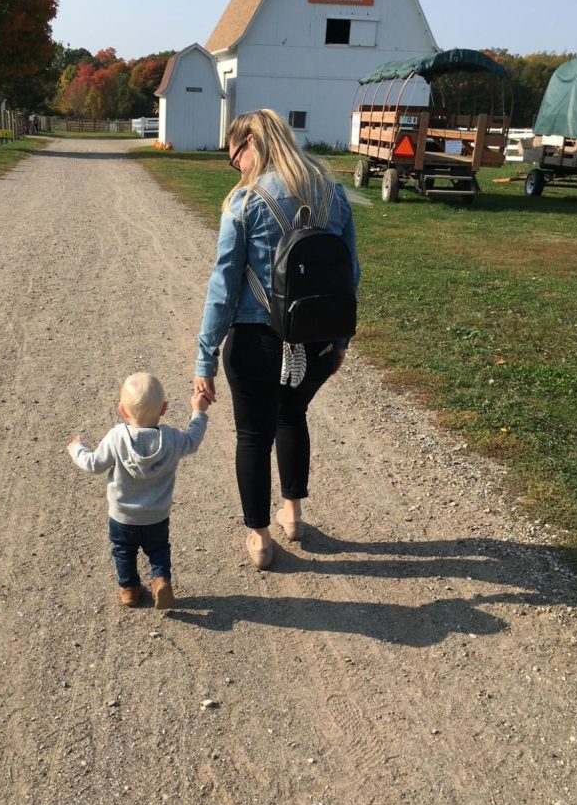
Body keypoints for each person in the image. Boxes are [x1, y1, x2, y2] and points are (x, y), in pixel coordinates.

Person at [193, 109, 360, 570]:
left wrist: (204, 359)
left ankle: (261, 539)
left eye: (235, 157)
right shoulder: (334, 194)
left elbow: (223, 287)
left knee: (252, 434)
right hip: (316, 341)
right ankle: (294, 515)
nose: (237, 167)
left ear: (250, 142)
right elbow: (350, 274)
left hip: (255, 341)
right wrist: (340, 340)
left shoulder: (244, 203)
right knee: (293, 416)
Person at [67, 372, 209, 609]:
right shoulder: (172, 439)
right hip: (157, 516)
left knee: (123, 552)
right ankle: (161, 579)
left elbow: (93, 464)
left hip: (122, 517)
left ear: (122, 410)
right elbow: (193, 439)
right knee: (159, 549)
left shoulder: (117, 437)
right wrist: (199, 411)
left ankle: (129, 589)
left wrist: (77, 448)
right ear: (164, 408)